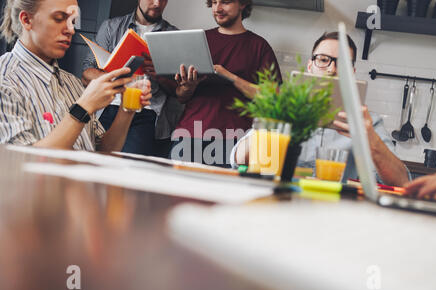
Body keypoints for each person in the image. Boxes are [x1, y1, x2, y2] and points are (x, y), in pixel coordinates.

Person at [232, 32, 410, 187]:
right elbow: (237, 159)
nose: (332, 69)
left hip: (337, 211)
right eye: (323, 60)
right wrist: (272, 125)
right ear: (310, 66)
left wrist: (371, 140)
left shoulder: (367, 122)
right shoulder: (283, 110)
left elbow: (402, 181)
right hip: (279, 202)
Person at [0, 0, 151, 151]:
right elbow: (21, 162)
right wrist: (83, 108)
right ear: (27, 20)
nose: (71, 30)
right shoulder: (5, 81)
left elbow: (104, 150)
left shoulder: (72, 83)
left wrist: (126, 110)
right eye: (59, 18)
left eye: (73, 21)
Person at [171, 0, 281, 167]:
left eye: (225, 2)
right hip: (189, 133)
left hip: (235, 141)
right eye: (214, 2)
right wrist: (187, 87)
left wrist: (229, 76)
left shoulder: (259, 46)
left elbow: (273, 99)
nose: (218, 8)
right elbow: (180, 97)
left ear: (242, 4)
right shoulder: (199, 40)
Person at [82, 0, 182, 158]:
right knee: (95, 161)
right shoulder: (111, 27)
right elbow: (86, 74)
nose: (157, 3)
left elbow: (178, 91)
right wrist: (115, 79)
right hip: (108, 107)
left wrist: (159, 73)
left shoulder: (174, 36)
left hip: (147, 111)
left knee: (129, 166)